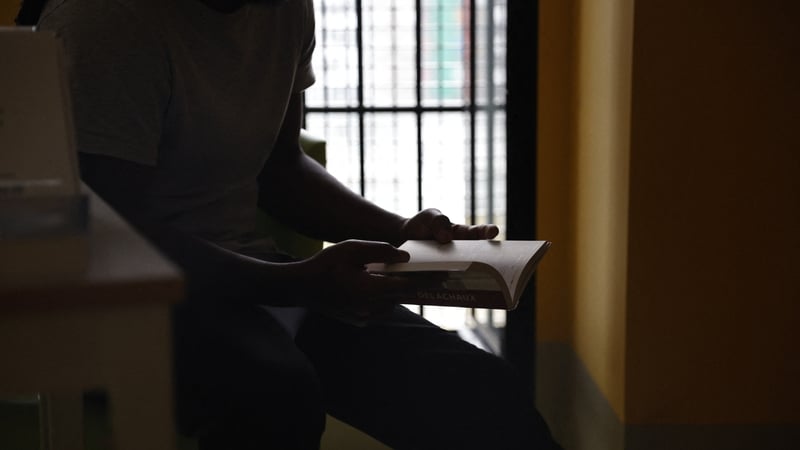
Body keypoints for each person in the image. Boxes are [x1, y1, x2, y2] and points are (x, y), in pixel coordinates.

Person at [34, 0, 562, 448]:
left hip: (256, 278)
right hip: (130, 298)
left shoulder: (281, 9)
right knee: (277, 397)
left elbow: (280, 170)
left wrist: (402, 234)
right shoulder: (106, 20)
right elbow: (111, 228)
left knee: (481, 390)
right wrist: (299, 283)